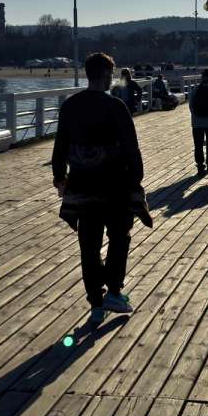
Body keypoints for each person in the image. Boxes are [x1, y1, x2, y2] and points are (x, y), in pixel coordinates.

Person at [52, 53, 144, 325]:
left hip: (82, 185)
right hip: (114, 185)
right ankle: (114, 292)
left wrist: (59, 175)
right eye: (111, 74)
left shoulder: (70, 106)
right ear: (105, 74)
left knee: (89, 245)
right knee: (119, 237)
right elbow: (131, 148)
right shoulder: (115, 107)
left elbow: (60, 145)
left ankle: (96, 302)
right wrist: (136, 179)